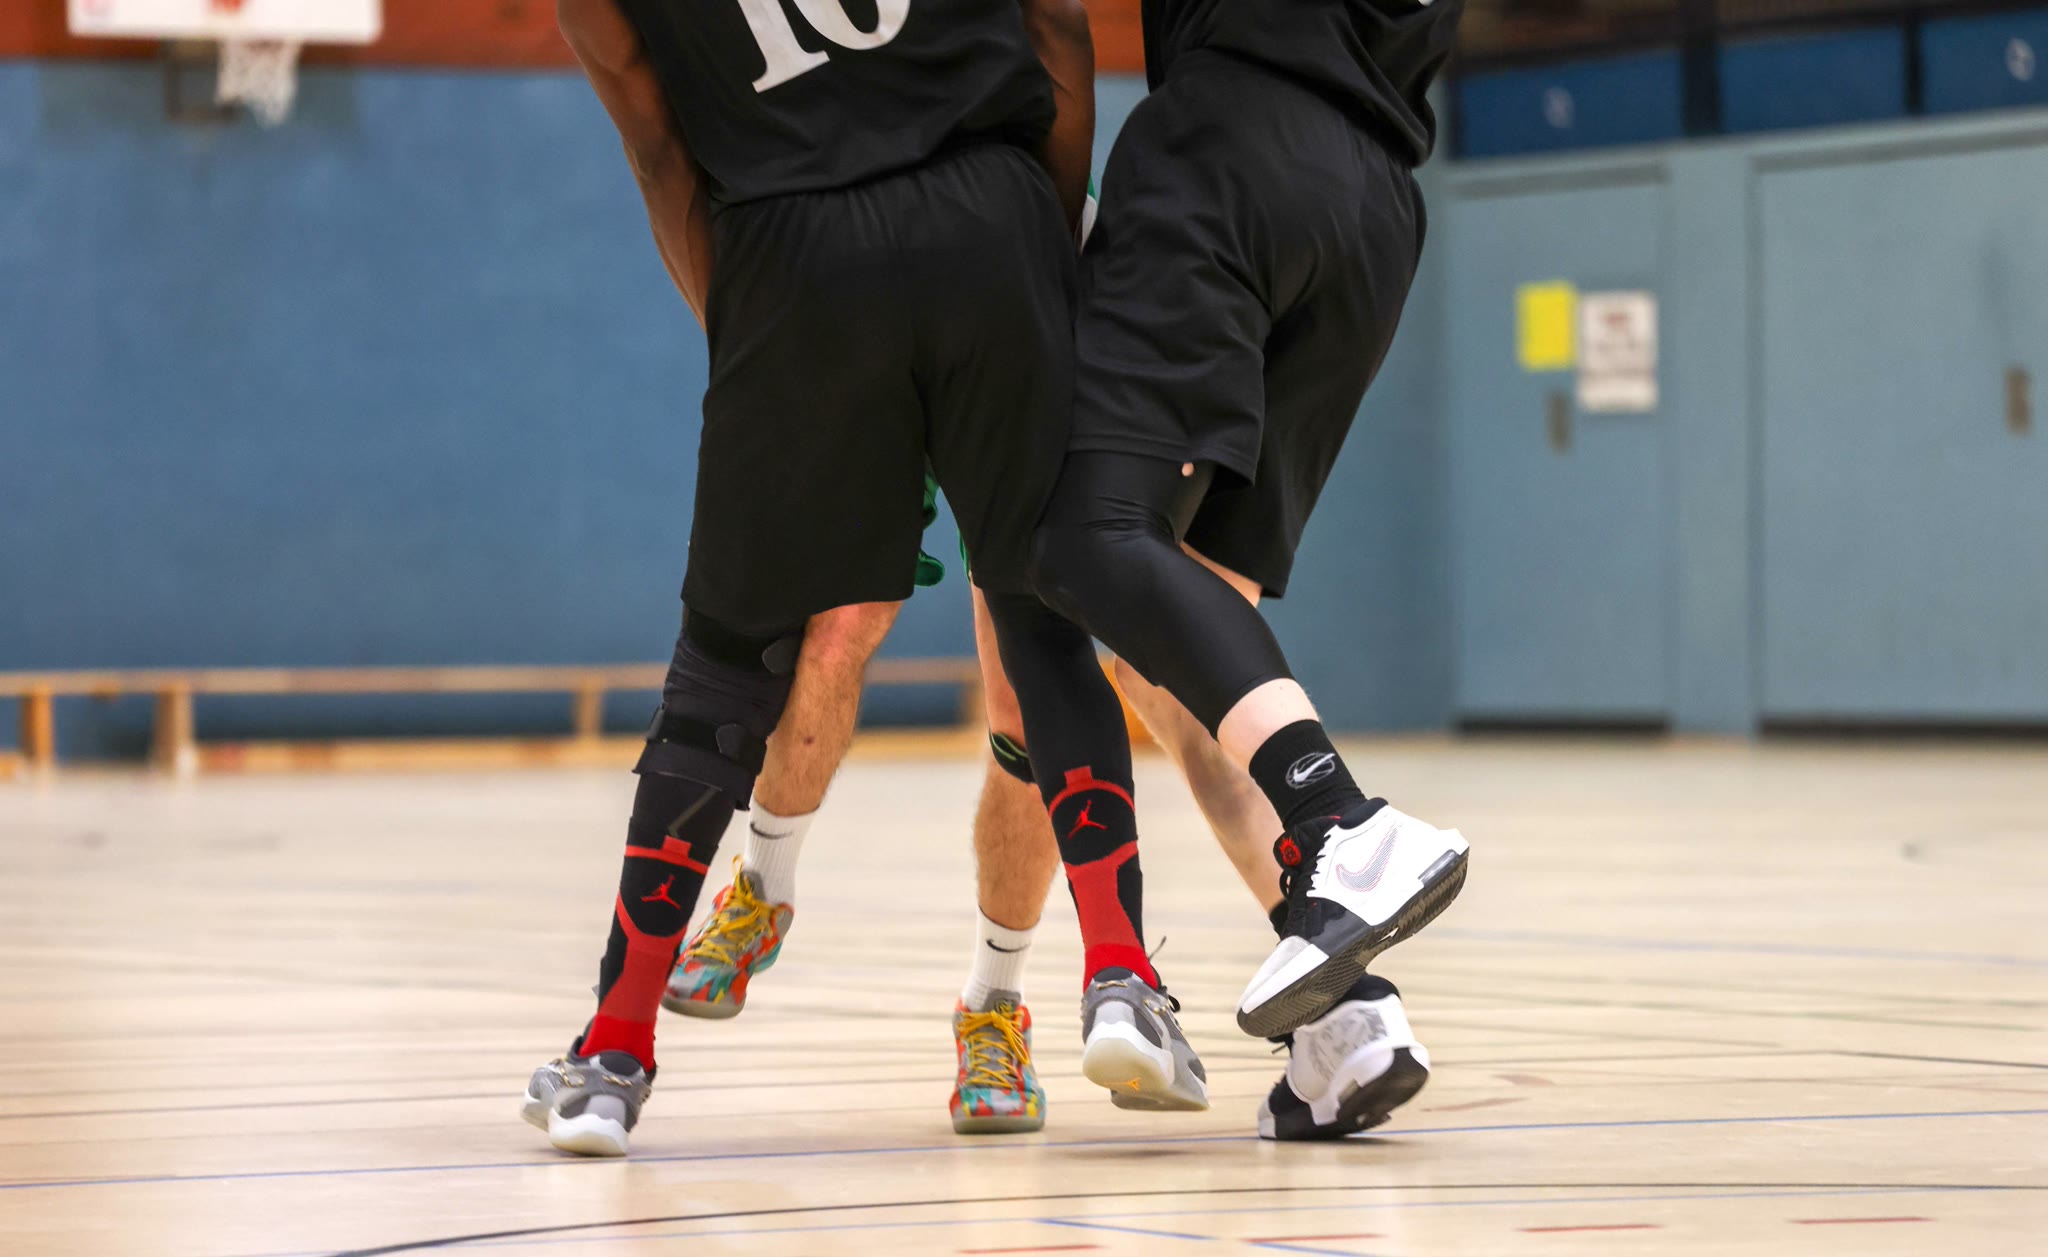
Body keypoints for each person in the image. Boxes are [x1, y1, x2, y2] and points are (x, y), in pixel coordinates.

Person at [520, 0, 1200, 1158]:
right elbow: (1056, 22)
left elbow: (655, 141)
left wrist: (747, 316)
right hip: (990, 220)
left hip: (794, 249)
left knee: (729, 661)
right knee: (1026, 620)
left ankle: (616, 1051)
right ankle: (1118, 973)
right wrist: (1031, 248)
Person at [1024, 0, 1475, 1040]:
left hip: (1231, 148)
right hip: (1374, 209)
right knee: (1179, 661)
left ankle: (1341, 821)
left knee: (1087, 534)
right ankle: (1347, 1025)